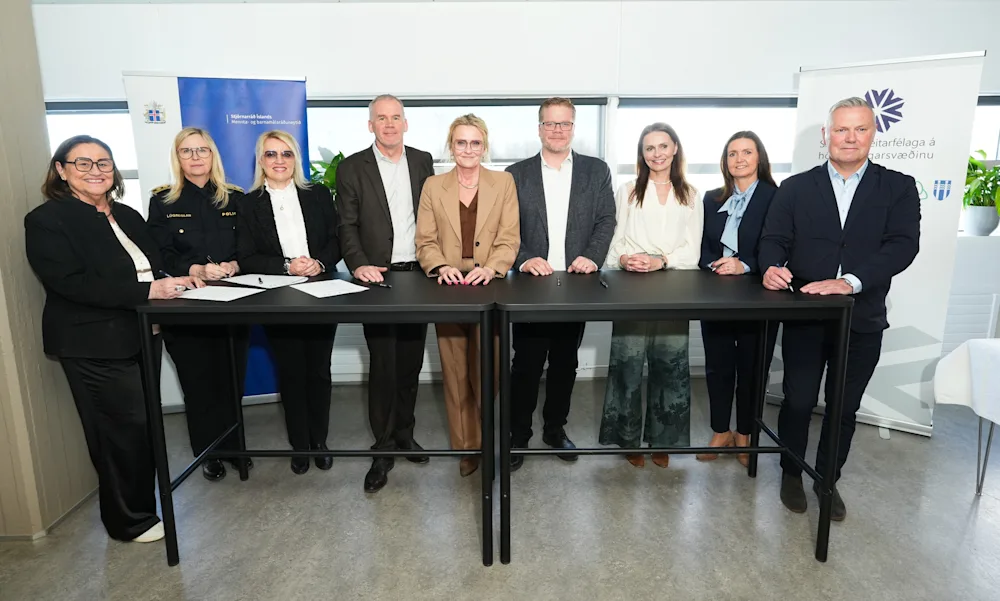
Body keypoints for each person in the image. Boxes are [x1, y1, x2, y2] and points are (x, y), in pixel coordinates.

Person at [24, 135, 202, 543]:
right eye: (82, 163)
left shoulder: (126, 214)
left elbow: (152, 265)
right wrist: (148, 291)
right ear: (61, 170)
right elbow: (71, 283)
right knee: (119, 432)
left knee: (144, 427)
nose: (96, 171)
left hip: (142, 333)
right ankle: (129, 522)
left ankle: (144, 508)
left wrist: (178, 279)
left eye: (103, 162)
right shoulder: (47, 220)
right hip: (93, 342)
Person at [759, 97, 920, 521]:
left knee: (843, 408)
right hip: (806, 314)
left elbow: (903, 246)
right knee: (798, 401)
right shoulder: (796, 187)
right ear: (826, 135)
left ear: (873, 133)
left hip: (861, 317)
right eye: (842, 129)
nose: (850, 138)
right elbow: (773, 238)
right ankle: (792, 472)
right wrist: (771, 266)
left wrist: (850, 281)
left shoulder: (899, 187)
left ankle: (827, 480)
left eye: (860, 129)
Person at [506, 97, 616, 470]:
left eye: (564, 123)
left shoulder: (595, 171)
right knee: (526, 364)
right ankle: (518, 434)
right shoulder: (515, 174)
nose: (557, 130)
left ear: (573, 127)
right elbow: (504, 228)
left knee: (565, 362)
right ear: (539, 128)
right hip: (530, 282)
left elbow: (606, 219)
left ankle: (555, 429)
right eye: (550, 123)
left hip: (576, 280)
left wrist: (592, 257)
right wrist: (524, 258)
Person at [336, 95, 435, 493]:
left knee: (410, 363)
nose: (390, 124)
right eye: (382, 118)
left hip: (418, 275)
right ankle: (382, 450)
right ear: (371, 125)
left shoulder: (423, 161)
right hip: (376, 277)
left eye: (396, 117)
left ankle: (405, 435)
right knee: (383, 366)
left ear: (405, 124)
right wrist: (358, 264)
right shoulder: (351, 167)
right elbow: (346, 224)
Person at [415, 114, 520, 477]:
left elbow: (509, 237)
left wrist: (491, 268)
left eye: (475, 142)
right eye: (461, 142)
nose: (468, 149)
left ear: (484, 146)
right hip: (447, 289)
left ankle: (488, 438)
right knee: (455, 372)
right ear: (451, 146)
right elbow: (425, 241)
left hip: (489, 286)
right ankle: (467, 448)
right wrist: (439, 266)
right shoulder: (433, 186)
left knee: (488, 372)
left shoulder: (503, 183)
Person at [147, 127, 251, 482]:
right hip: (186, 303)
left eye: (202, 150)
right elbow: (158, 252)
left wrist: (235, 264)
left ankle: (236, 448)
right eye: (186, 151)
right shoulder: (163, 201)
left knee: (231, 379)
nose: (195, 157)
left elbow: (248, 245)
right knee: (197, 382)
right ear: (177, 157)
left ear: (213, 155)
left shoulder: (234, 198)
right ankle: (209, 453)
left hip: (232, 301)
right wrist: (193, 269)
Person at [236, 130, 342, 475]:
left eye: (286, 153)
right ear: (261, 161)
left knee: (319, 371)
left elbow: (336, 239)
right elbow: (246, 256)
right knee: (291, 372)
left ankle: (319, 441)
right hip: (278, 297)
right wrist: (287, 266)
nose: (279, 160)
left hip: (320, 293)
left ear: (295, 159)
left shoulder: (318, 195)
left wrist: (320, 262)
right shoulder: (248, 204)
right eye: (271, 154)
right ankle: (300, 445)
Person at [598, 123, 703, 468]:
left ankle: (663, 440)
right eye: (649, 148)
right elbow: (615, 240)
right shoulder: (628, 190)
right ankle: (627, 439)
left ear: (675, 148)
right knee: (627, 365)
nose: (657, 154)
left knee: (670, 365)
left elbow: (693, 249)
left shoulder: (691, 194)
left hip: (673, 287)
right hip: (631, 285)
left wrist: (662, 260)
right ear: (642, 154)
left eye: (663, 146)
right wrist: (624, 260)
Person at [696, 131, 779, 467]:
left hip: (758, 295)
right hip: (716, 294)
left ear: (760, 157)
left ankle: (745, 433)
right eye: (732, 153)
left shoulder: (777, 197)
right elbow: (701, 247)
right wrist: (714, 264)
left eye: (747, 152)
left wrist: (744, 265)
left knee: (752, 367)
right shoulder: (711, 199)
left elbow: (781, 246)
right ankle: (721, 431)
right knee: (717, 367)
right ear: (725, 161)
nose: (739, 159)